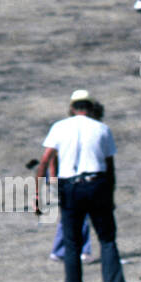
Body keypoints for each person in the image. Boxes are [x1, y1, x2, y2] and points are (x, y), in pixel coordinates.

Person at [33, 91, 128, 282]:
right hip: (97, 184)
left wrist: (38, 195)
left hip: (70, 187)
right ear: (91, 107)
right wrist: (110, 195)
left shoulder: (59, 127)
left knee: (72, 243)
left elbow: (45, 161)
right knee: (107, 239)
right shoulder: (102, 129)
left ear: (72, 107)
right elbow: (110, 166)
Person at [48, 90, 96, 262]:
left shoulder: (62, 127)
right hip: (75, 179)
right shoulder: (87, 128)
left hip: (68, 179)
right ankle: (80, 249)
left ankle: (61, 249)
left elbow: (49, 157)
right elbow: (51, 157)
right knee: (79, 217)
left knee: (70, 217)